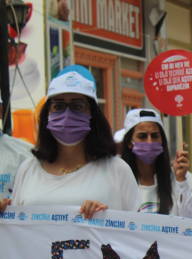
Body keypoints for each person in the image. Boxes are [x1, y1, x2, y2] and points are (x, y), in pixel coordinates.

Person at [0, 65, 138, 218]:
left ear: (92, 114)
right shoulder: (28, 169)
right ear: (47, 114)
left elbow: (136, 228)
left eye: (77, 106)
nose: (67, 115)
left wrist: (106, 217)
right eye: (58, 106)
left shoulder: (117, 171)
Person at [120, 108, 192, 219]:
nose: (149, 142)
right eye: (142, 136)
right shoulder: (118, 181)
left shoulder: (179, 179)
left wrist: (181, 181)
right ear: (129, 142)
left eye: (154, 136)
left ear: (162, 140)